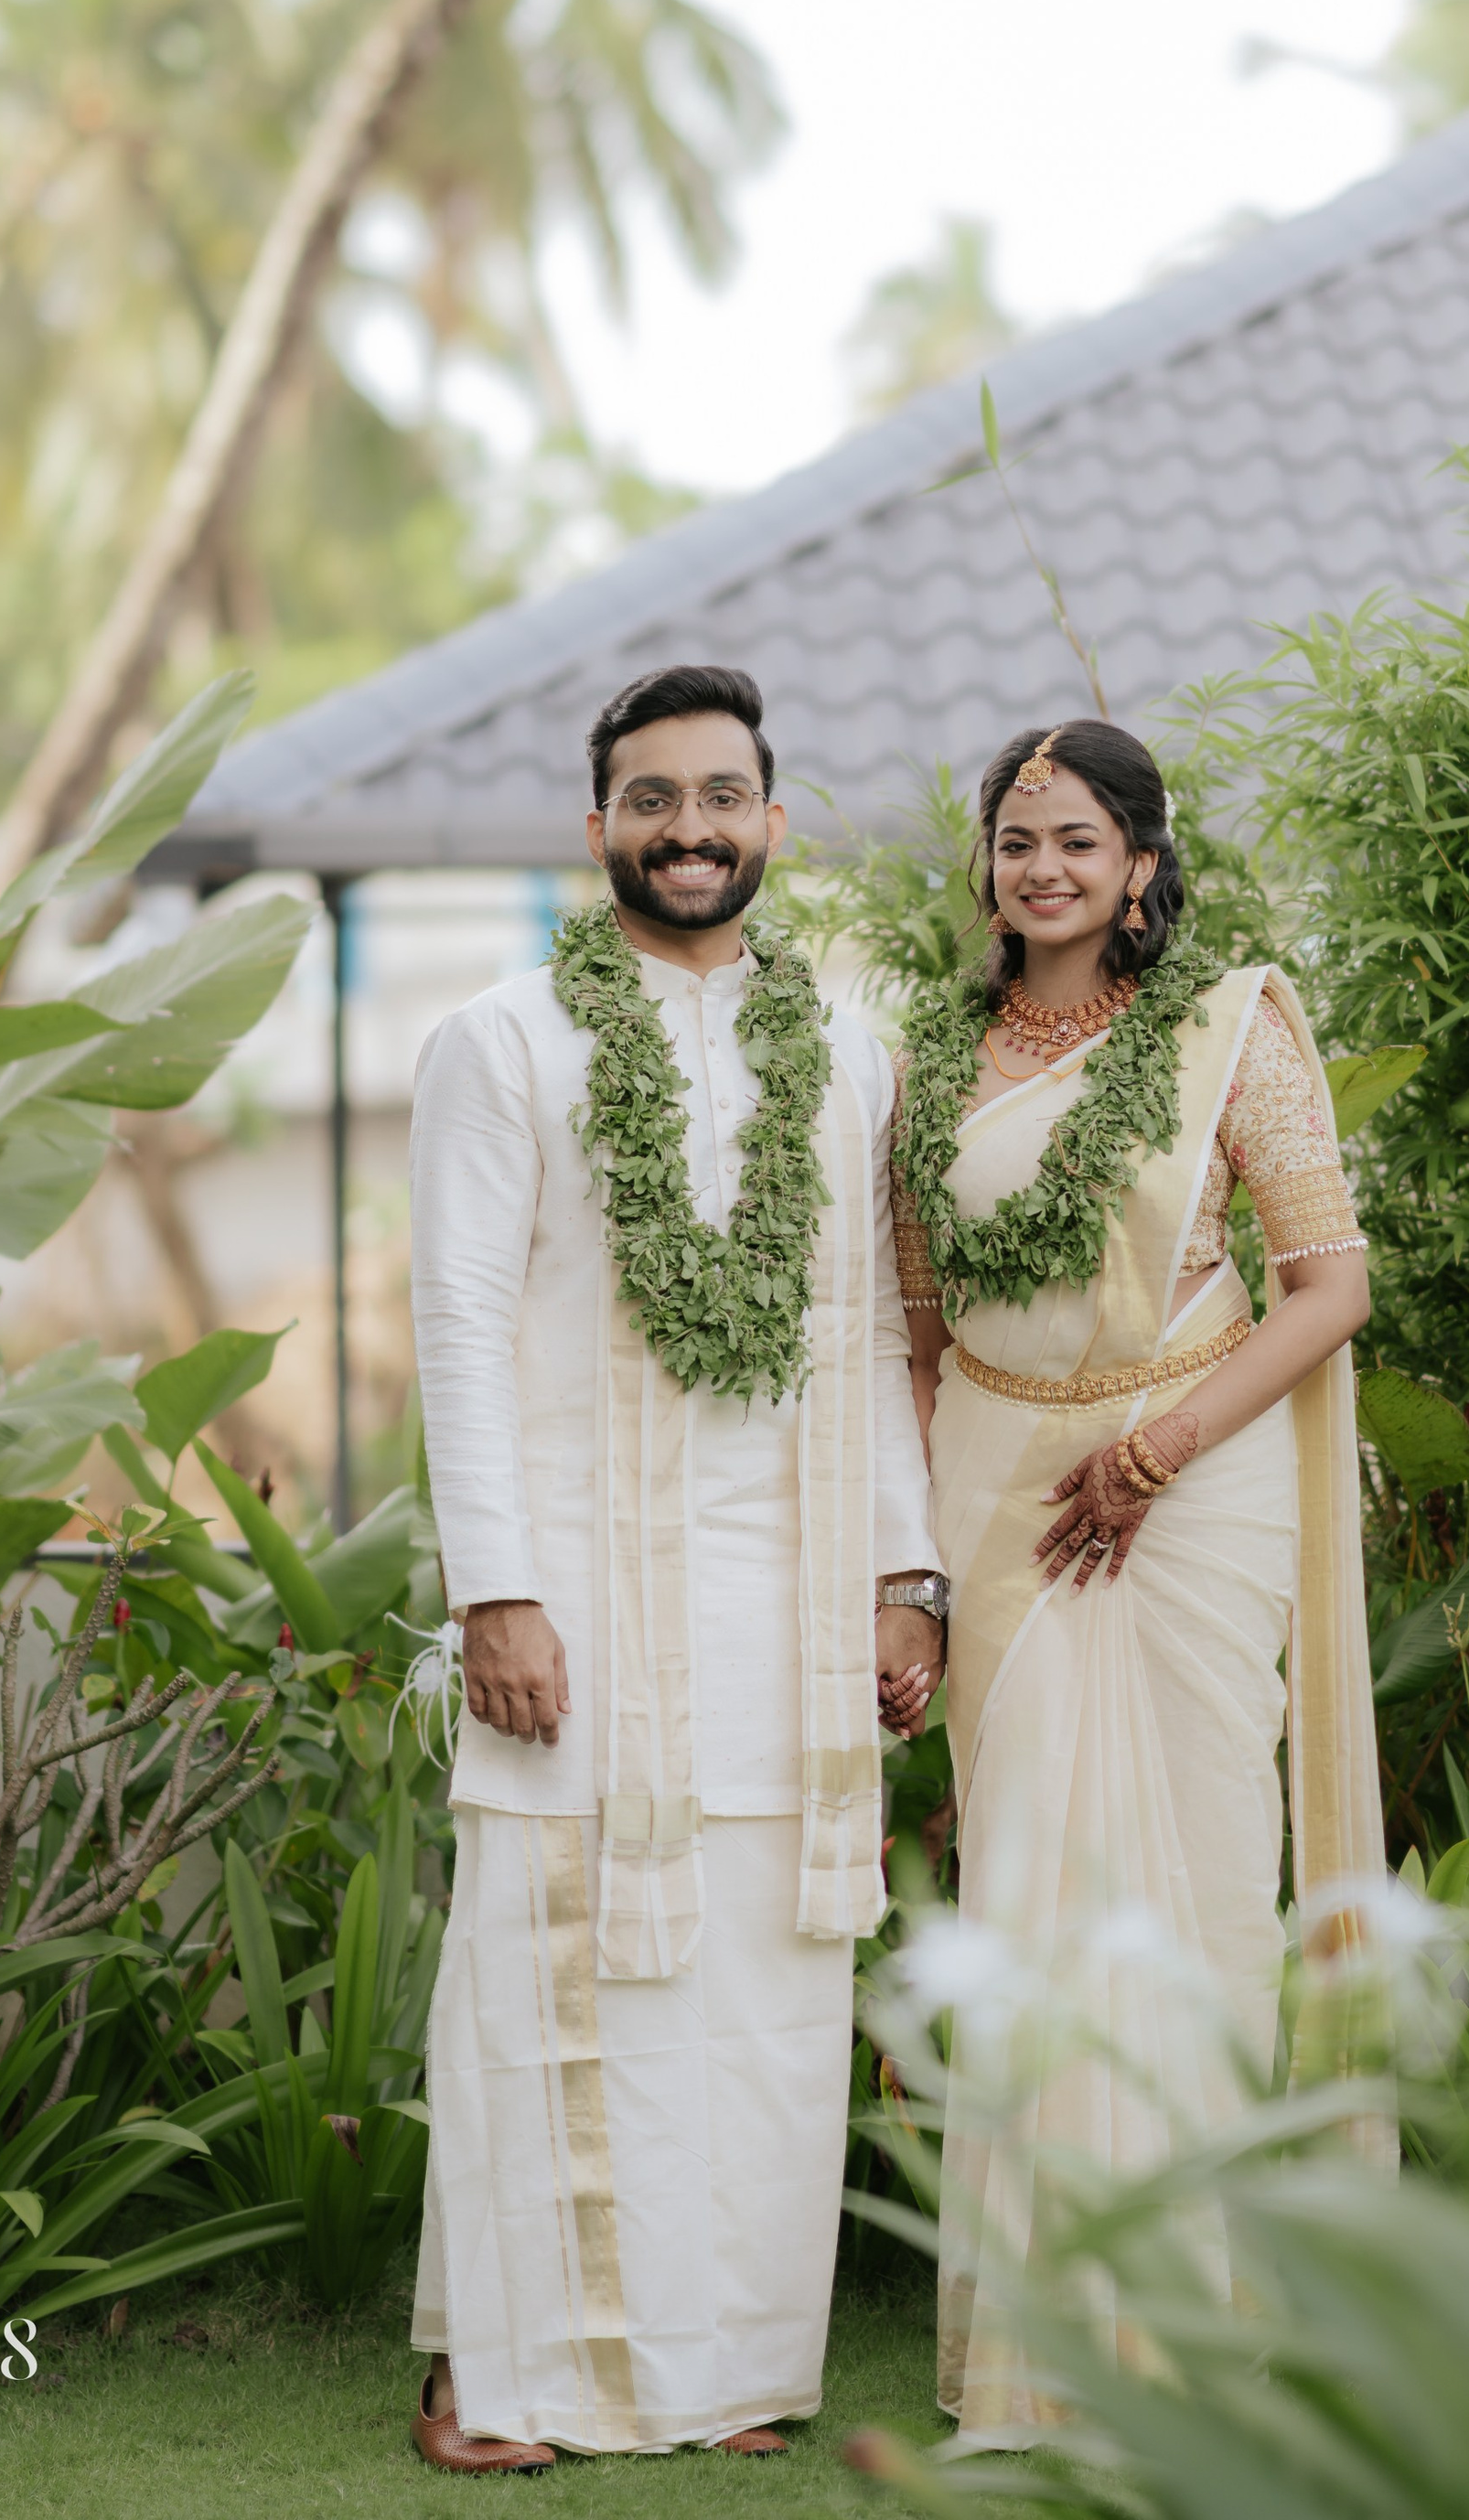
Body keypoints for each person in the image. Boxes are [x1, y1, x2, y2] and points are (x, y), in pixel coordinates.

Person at [405, 661, 947, 2470]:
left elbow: (867, 1335)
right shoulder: (501, 1043)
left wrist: (901, 1578)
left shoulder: (845, 1054)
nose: (691, 829)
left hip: (780, 1612)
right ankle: (502, 2376)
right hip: (574, 1597)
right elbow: (457, 1322)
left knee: (757, 1999)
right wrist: (495, 1584)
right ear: (599, 829)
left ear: (771, 823)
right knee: (541, 1971)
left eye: (722, 798)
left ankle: (724, 2375)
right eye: (654, 799)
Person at [889, 717, 1383, 2448]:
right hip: (994, 1481)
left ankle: (1201, 2326)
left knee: (1195, 1886)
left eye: (1078, 843)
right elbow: (915, 1318)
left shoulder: (1225, 1035)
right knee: (1027, 1886)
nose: (1044, 871)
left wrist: (1156, 1450)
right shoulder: (932, 1054)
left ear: (1142, 868)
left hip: (1191, 1486)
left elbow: (1328, 1289)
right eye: (1018, 842)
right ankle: (1043, 2345)